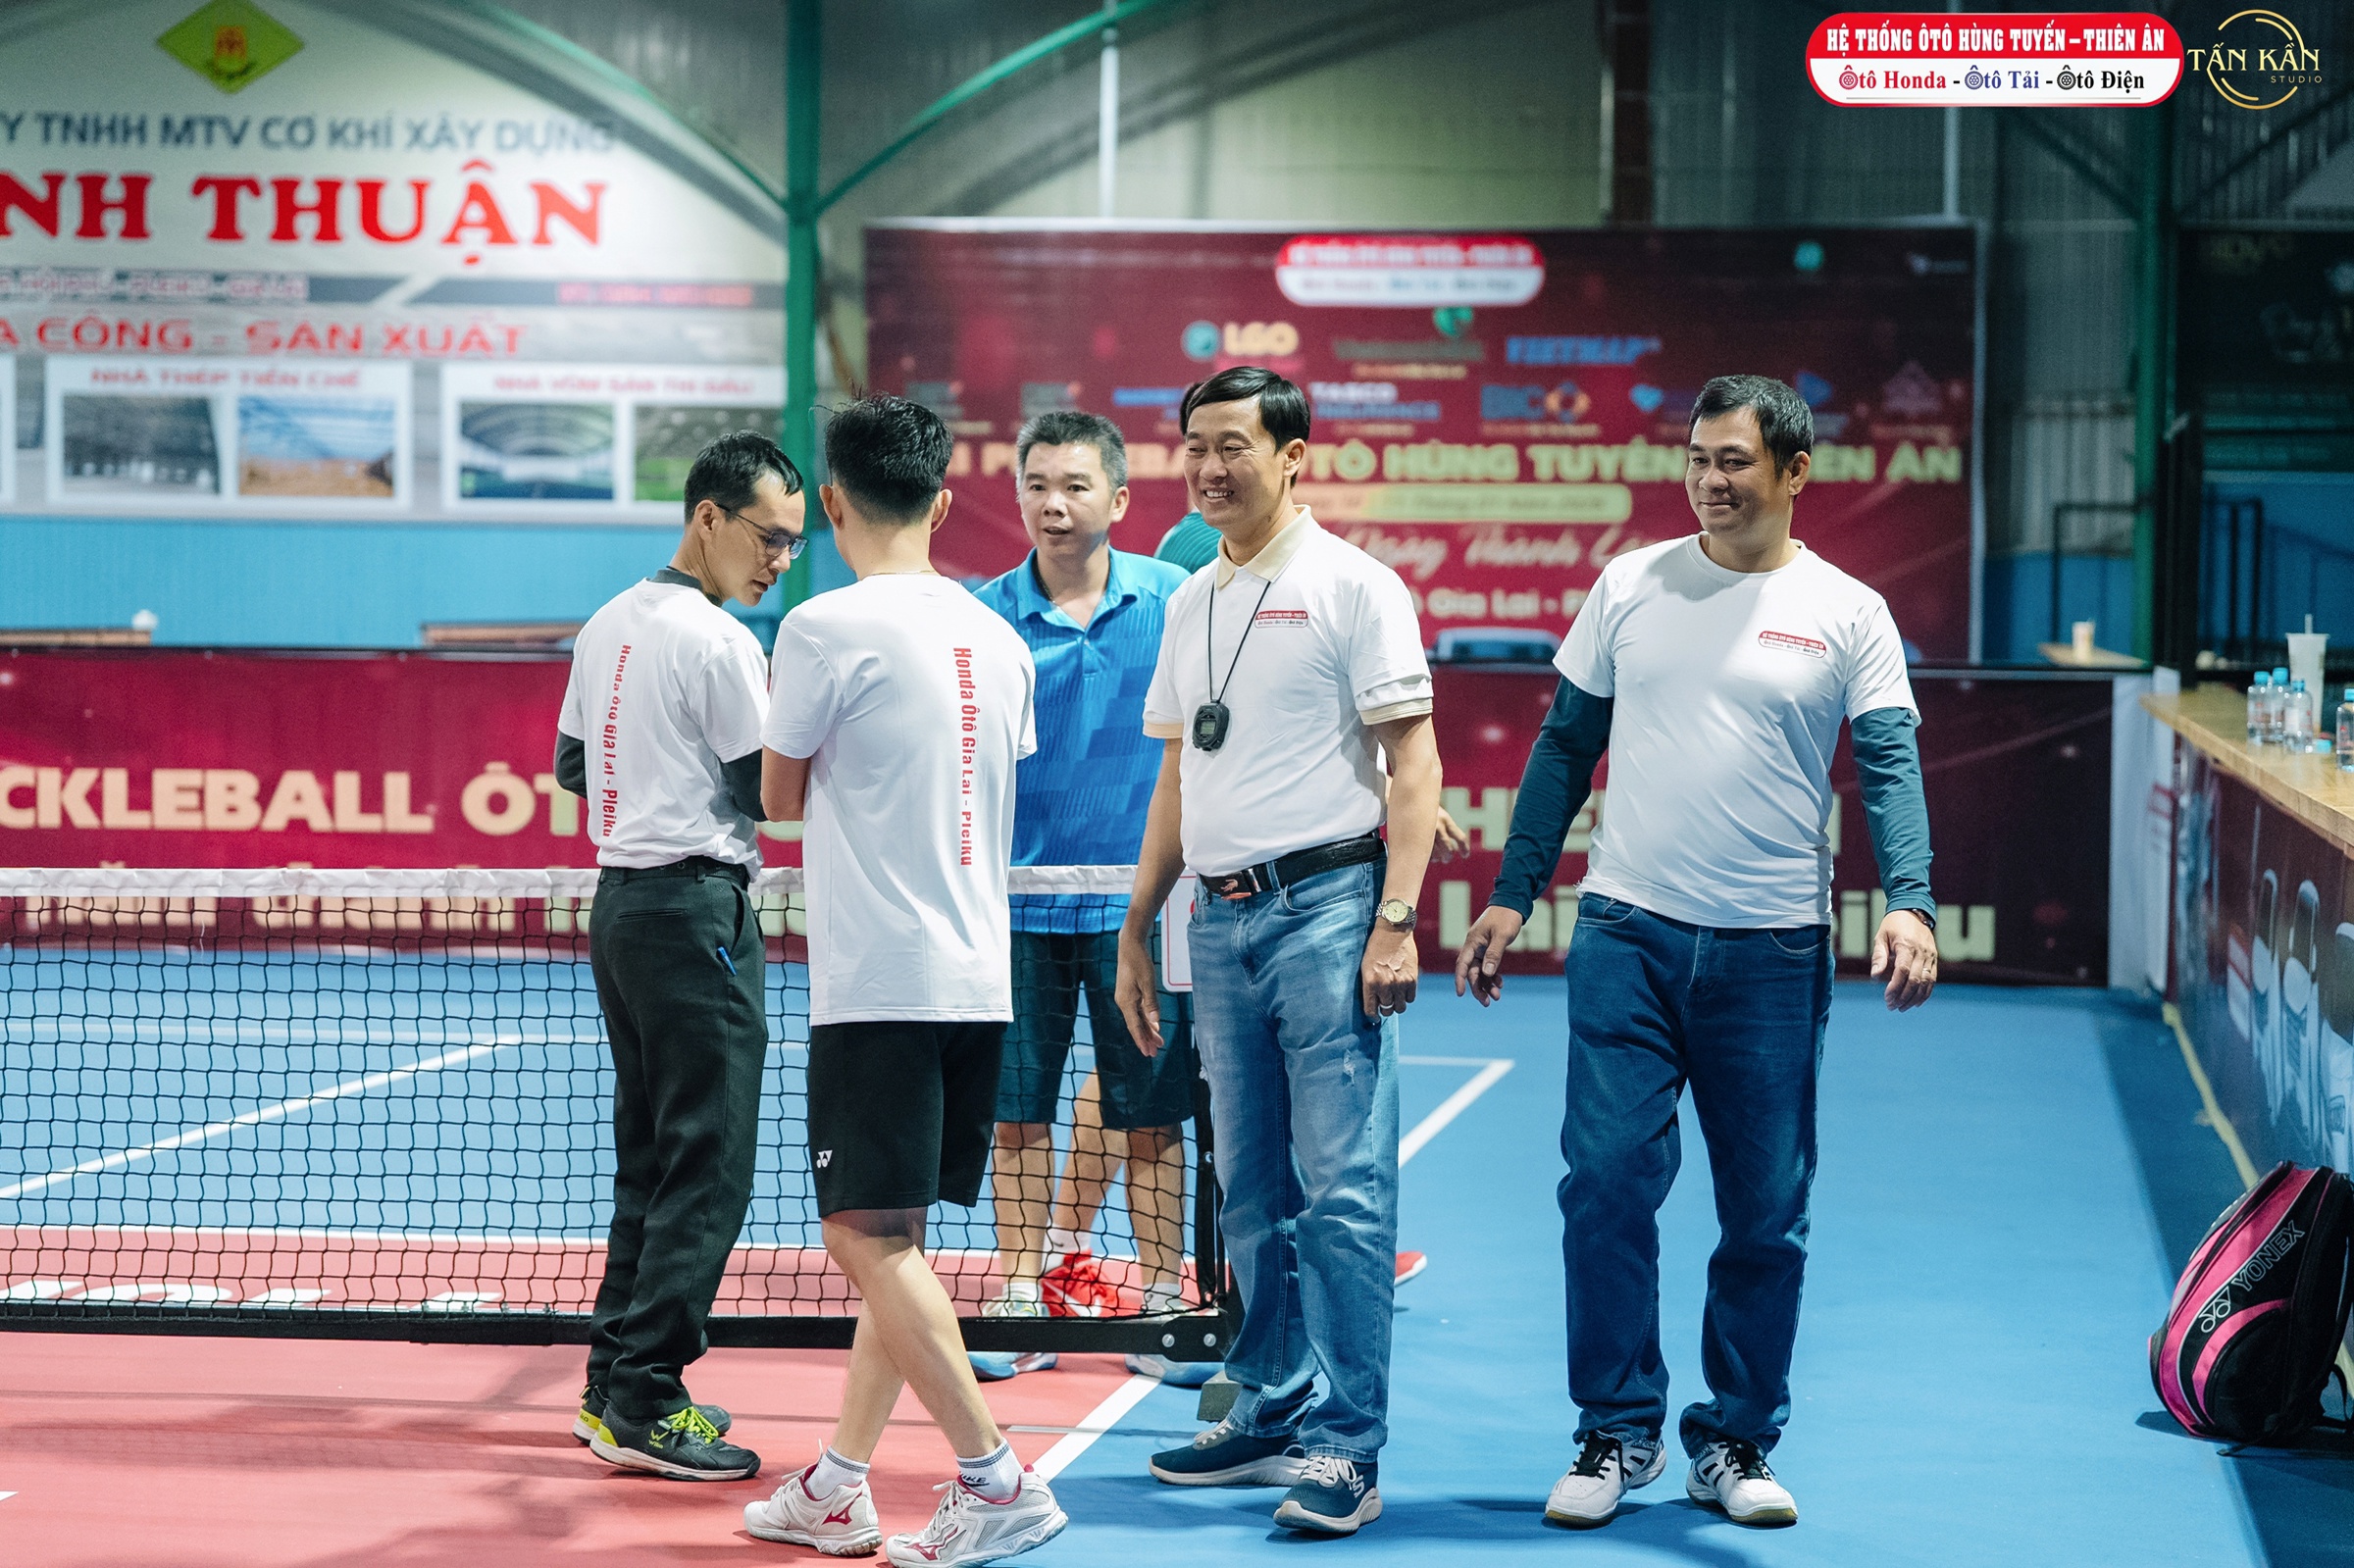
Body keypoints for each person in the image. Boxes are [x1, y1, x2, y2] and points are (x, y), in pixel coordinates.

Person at [1454, 375, 1939, 1532]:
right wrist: (1514, 894)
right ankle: (1616, 1430)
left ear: (1795, 472)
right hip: (1626, 932)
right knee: (1605, 1185)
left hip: (1774, 952)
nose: (1711, 480)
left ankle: (1733, 1437)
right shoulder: (1630, 584)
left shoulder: (1850, 610)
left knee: (1766, 1211)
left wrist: (1911, 902)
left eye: (1735, 461)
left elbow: (1888, 764)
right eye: (1698, 458)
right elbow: (1563, 747)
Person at [1116, 365, 1441, 1538]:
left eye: (1233, 446)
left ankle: (1347, 1448)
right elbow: (1177, 772)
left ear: (1294, 455)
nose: (1208, 467)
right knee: (1248, 1190)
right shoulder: (1192, 601)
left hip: (1329, 912)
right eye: (1194, 445)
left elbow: (1415, 763)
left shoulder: (1357, 587)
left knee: (1343, 1195)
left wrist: (1395, 920)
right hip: (1219, 921)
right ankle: (1269, 1405)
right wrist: (1140, 922)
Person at [745, 395, 1065, 1567]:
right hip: (979, 977)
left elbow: (779, 798)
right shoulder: (1001, 636)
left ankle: (997, 1482)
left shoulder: (821, 627)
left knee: (866, 1242)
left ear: (831, 503)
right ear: (942, 501)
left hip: (881, 977)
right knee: (898, 1242)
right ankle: (837, 1485)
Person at [556, 430, 805, 1481]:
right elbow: (765, 795)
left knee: (654, 1158)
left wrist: (655, 773)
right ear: (707, 517)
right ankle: (650, 1398)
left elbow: (574, 766)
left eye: (792, 543)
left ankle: (612, 1384)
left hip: (621, 909)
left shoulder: (606, 622)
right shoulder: (719, 641)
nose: (779, 559)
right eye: (767, 536)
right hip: (696, 913)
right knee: (708, 1165)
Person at [966, 410, 1198, 1385]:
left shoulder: (1177, 600)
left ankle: (1160, 1300)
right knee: (1018, 1114)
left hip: (1138, 912)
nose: (1052, 505)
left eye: (1073, 486)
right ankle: (1022, 1294)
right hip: (1015, 907)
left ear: (1119, 498)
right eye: (1036, 486)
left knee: (1150, 1114)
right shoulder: (981, 616)